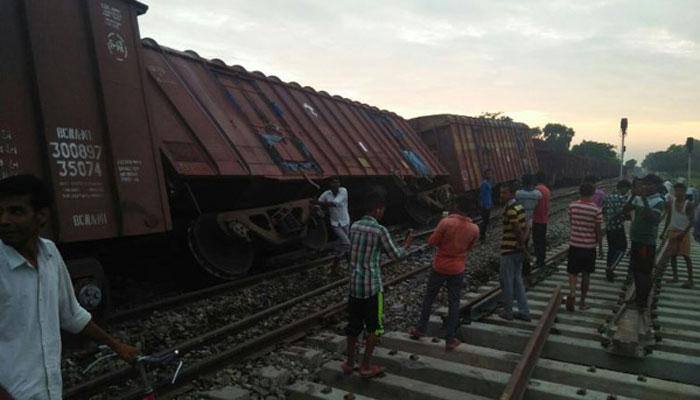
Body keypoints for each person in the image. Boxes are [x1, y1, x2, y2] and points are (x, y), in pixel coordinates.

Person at [0, 175, 138, 400]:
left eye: (16, 211)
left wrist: (117, 346)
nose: (4, 220)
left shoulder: (50, 254)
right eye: (0, 212)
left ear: (41, 216)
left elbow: (72, 315)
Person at [342, 187, 412, 378]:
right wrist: (406, 245)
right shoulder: (379, 230)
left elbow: (350, 252)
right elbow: (396, 255)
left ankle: (349, 363)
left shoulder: (354, 226)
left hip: (354, 286)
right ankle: (365, 366)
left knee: (353, 326)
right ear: (379, 209)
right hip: (372, 287)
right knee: (375, 327)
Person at [409, 196, 480, 351]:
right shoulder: (474, 228)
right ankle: (450, 338)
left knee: (429, 298)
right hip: (458, 268)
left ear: (456, 206)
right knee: (454, 303)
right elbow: (470, 247)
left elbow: (431, 242)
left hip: (440, 266)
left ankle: (421, 329)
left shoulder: (446, 222)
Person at [623, 174, 665, 310]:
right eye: (645, 184)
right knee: (636, 270)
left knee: (644, 273)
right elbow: (626, 211)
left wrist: (644, 199)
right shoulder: (639, 198)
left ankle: (642, 303)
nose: (646, 186)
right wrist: (634, 195)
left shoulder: (659, 200)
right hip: (636, 239)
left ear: (657, 186)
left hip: (646, 242)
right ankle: (638, 298)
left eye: (650, 184)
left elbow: (653, 219)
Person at [566, 183, 603, 311]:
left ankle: (572, 294)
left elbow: (572, 223)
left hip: (574, 245)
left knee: (573, 272)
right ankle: (582, 303)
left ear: (579, 192)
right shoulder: (596, 210)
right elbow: (598, 230)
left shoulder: (572, 206)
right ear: (593, 193)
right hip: (589, 247)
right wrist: (601, 248)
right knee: (586, 274)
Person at [498, 183, 531, 321]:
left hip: (509, 250)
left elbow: (517, 228)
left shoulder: (511, 209)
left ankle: (508, 312)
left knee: (507, 281)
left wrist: (521, 244)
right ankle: (524, 311)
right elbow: (527, 225)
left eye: (504, 193)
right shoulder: (520, 206)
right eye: (501, 193)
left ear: (511, 194)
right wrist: (523, 245)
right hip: (518, 250)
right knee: (518, 281)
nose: (501, 195)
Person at [659, 182, 695, 288]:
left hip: (683, 233)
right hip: (673, 231)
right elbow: (669, 218)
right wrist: (664, 232)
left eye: (680, 191)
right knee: (672, 255)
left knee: (685, 255)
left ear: (684, 191)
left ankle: (690, 279)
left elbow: (692, 220)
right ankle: (675, 277)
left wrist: (684, 233)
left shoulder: (688, 204)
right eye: (676, 191)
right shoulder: (672, 202)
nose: (677, 193)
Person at [317, 177, 351, 271]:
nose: (335, 184)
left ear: (339, 184)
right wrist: (318, 205)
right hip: (335, 223)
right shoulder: (326, 193)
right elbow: (319, 202)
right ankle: (335, 264)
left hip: (345, 221)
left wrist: (320, 203)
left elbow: (335, 203)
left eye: (337, 182)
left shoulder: (343, 191)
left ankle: (339, 266)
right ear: (330, 185)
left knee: (345, 244)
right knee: (347, 243)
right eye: (333, 183)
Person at [602, 180, 631, 282]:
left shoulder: (607, 197)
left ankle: (609, 269)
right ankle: (611, 268)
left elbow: (603, 211)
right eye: (627, 189)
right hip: (618, 227)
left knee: (611, 249)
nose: (627, 191)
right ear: (623, 187)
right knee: (623, 248)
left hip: (609, 228)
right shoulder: (622, 198)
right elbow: (625, 213)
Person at [532, 172, 551, 269]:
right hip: (544, 219)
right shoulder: (547, 190)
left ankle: (539, 260)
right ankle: (542, 259)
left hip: (537, 219)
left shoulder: (536, 190)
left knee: (537, 241)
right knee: (542, 240)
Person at [478, 169, 493, 243]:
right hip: (485, 205)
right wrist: (484, 204)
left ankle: (483, 235)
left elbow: (489, 194)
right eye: (488, 174)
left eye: (490, 174)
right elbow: (482, 195)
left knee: (486, 221)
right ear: (485, 175)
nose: (489, 175)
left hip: (488, 203)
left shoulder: (488, 183)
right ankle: (482, 236)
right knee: (485, 221)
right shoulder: (484, 184)